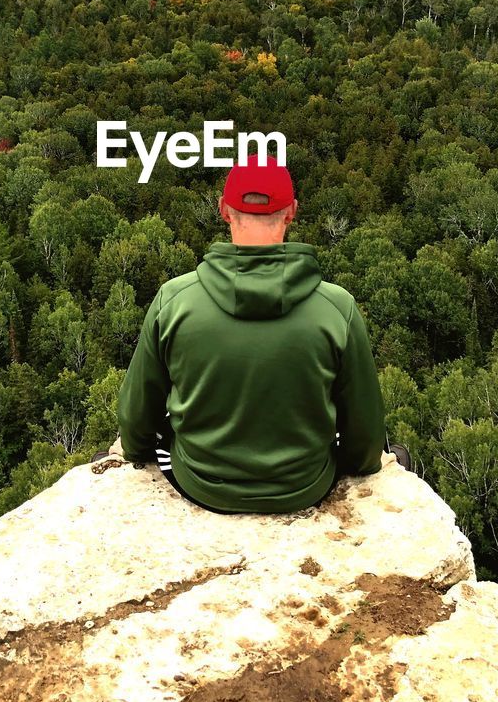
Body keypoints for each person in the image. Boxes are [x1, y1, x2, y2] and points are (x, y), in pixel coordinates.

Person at [106, 153, 387, 514]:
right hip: (303, 487)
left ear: (224, 210)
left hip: (202, 485)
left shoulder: (174, 301)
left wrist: (135, 452)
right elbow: (363, 437)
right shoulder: (337, 308)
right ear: (291, 212)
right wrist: (358, 464)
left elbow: (137, 416)